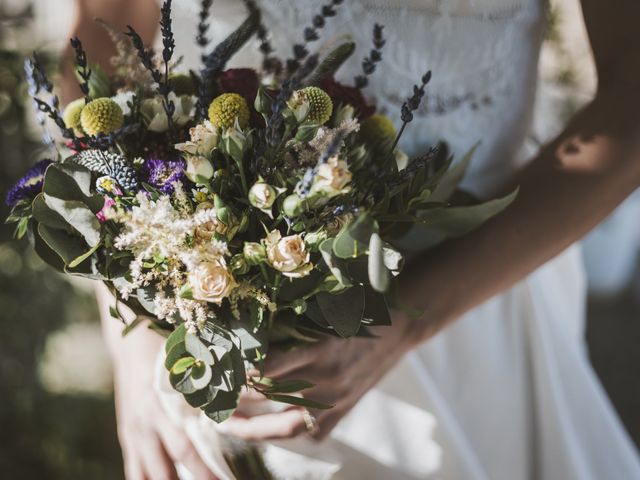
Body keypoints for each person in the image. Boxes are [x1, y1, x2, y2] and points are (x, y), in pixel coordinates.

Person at [64, 0, 640, 478]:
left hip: (475, 289)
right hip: (208, 290)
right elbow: (97, 53)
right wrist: (133, 333)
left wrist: (406, 324)